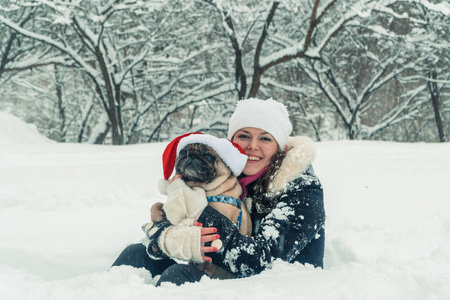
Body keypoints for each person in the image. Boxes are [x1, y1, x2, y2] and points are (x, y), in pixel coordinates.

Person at [111, 98, 325, 286]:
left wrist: (199, 210)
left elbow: (260, 260)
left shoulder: (302, 188)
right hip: (227, 277)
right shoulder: (226, 176)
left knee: (179, 276)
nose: (252, 146)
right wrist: (166, 237)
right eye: (244, 136)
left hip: (275, 287)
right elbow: (179, 224)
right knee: (136, 255)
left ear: (279, 146)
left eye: (265, 138)